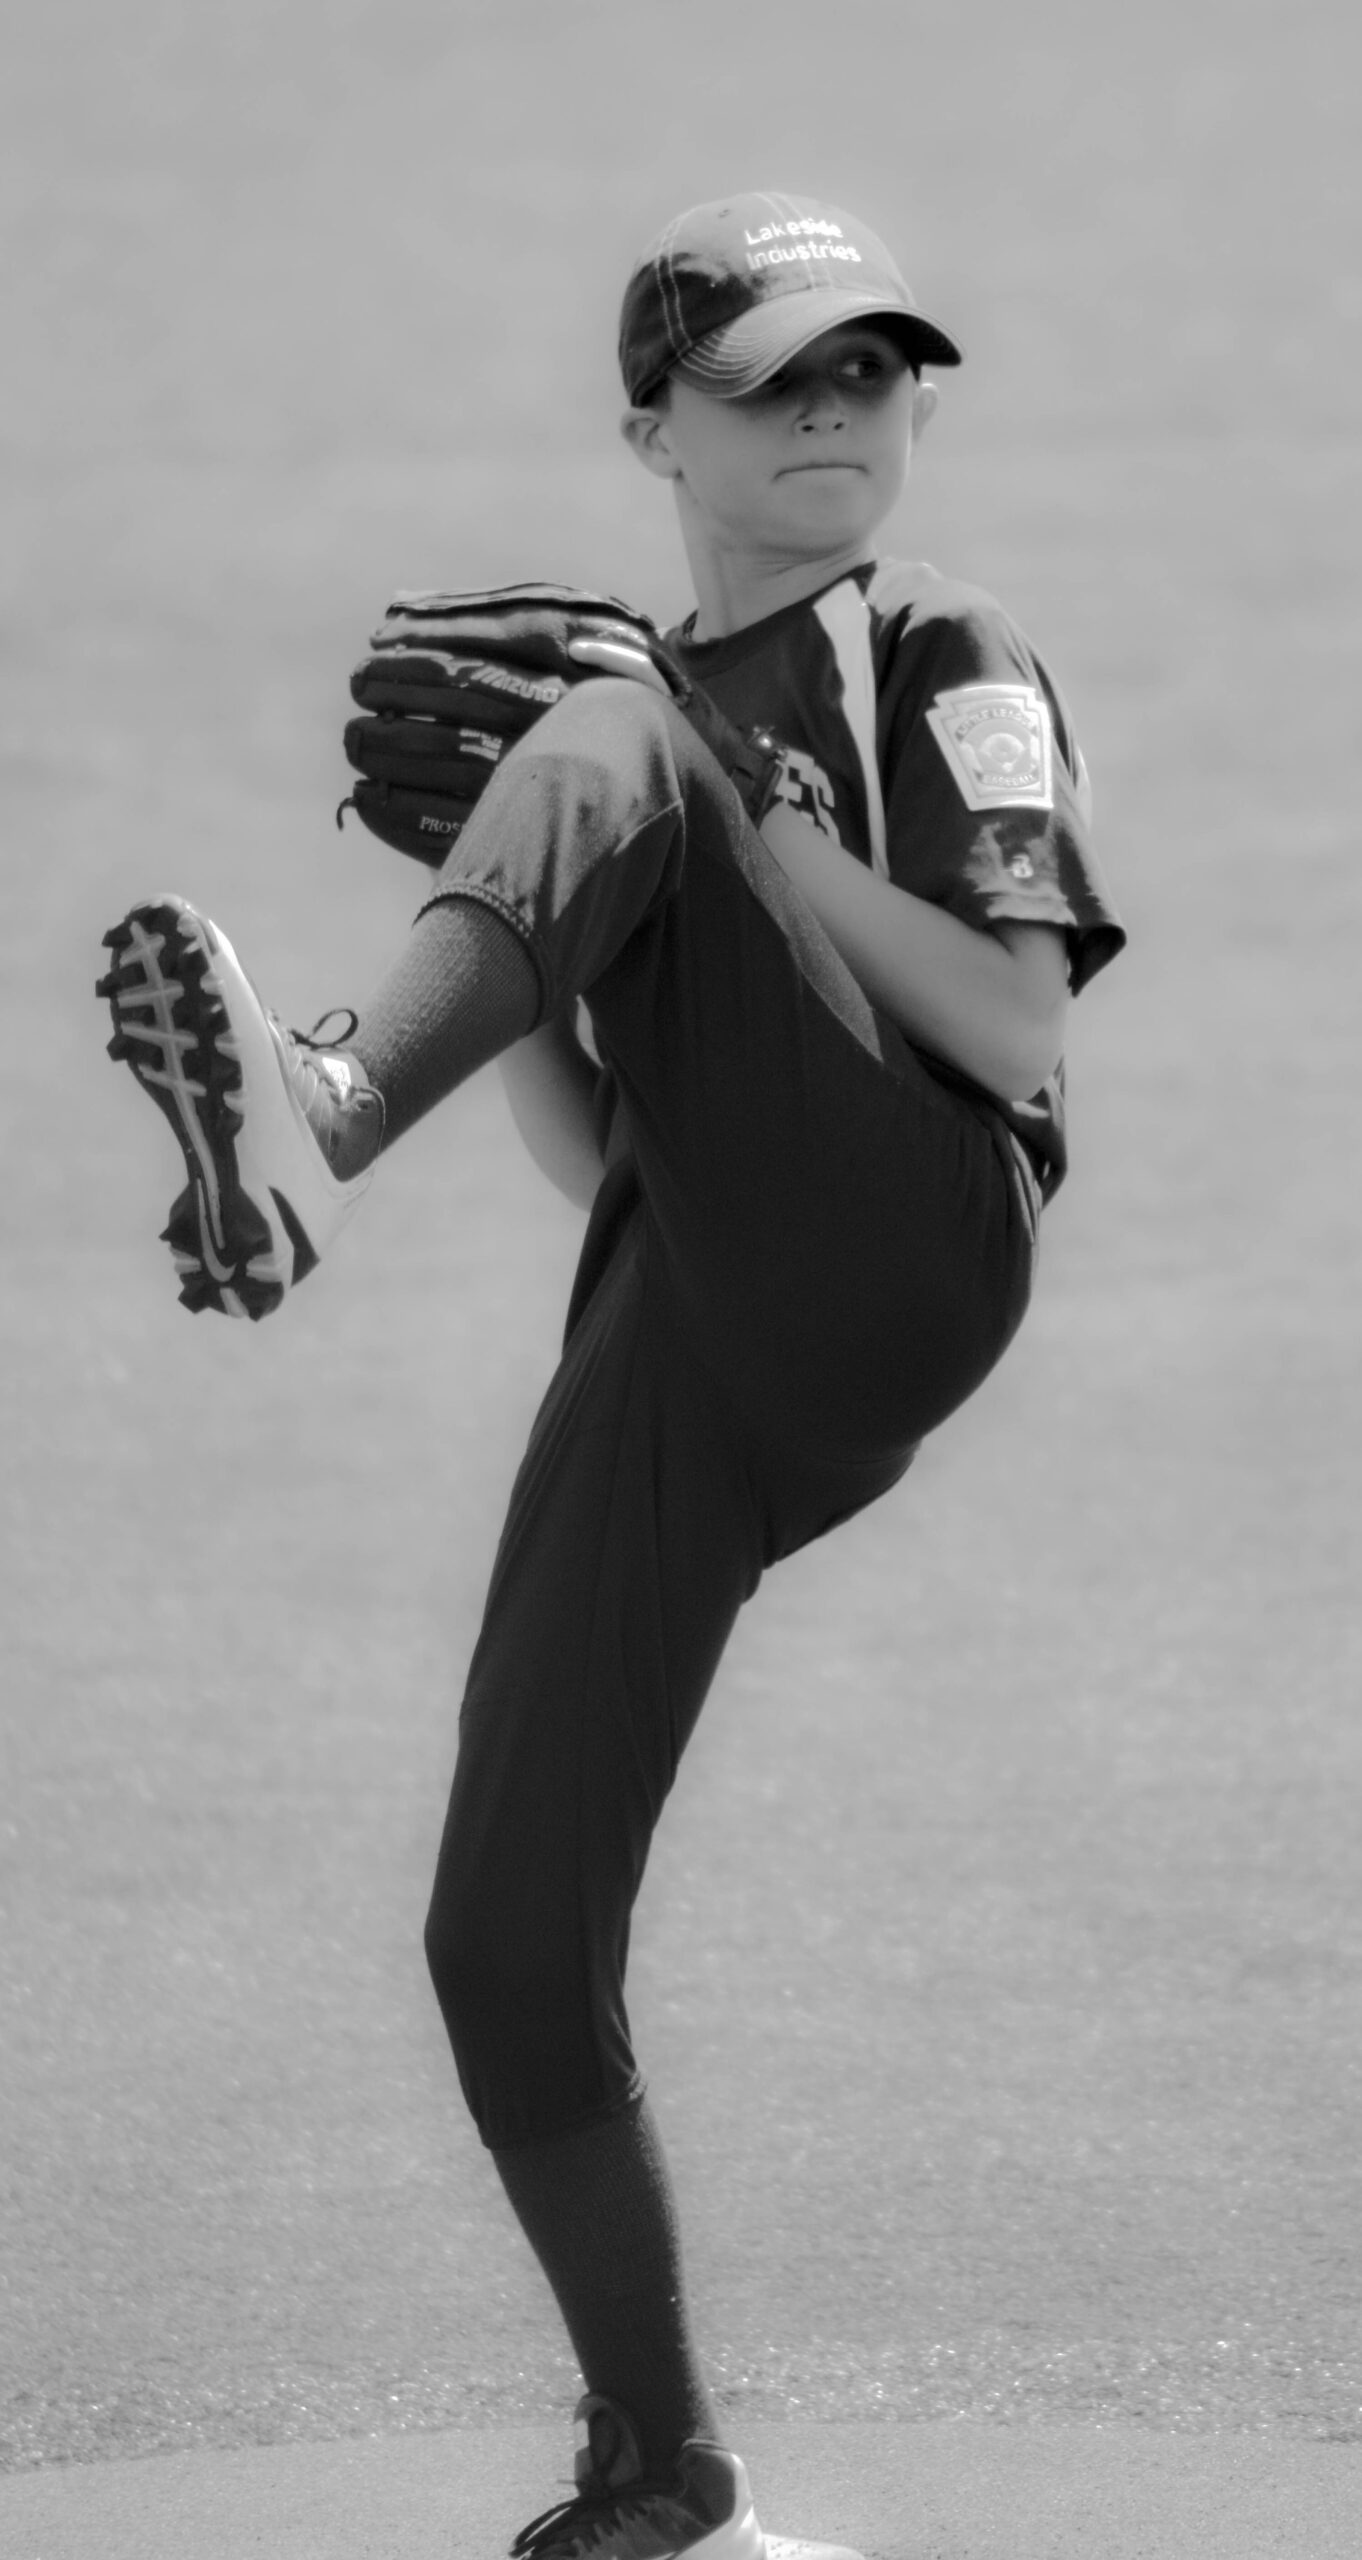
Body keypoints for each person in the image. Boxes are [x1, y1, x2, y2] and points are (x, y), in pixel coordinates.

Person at [97, 192, 1125, 2560]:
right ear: (655, 422)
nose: (840, 413)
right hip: (701, 1307)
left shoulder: (936, 649)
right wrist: (542, 937)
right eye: (779, 378)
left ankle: (323, 1107)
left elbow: (1011, 1022)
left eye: (875, 370)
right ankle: (669, 2476)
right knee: (502, 1933)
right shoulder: (631, 721)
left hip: (913, 1225)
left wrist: (717, 791)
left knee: (614, 730)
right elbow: (616, 1159)